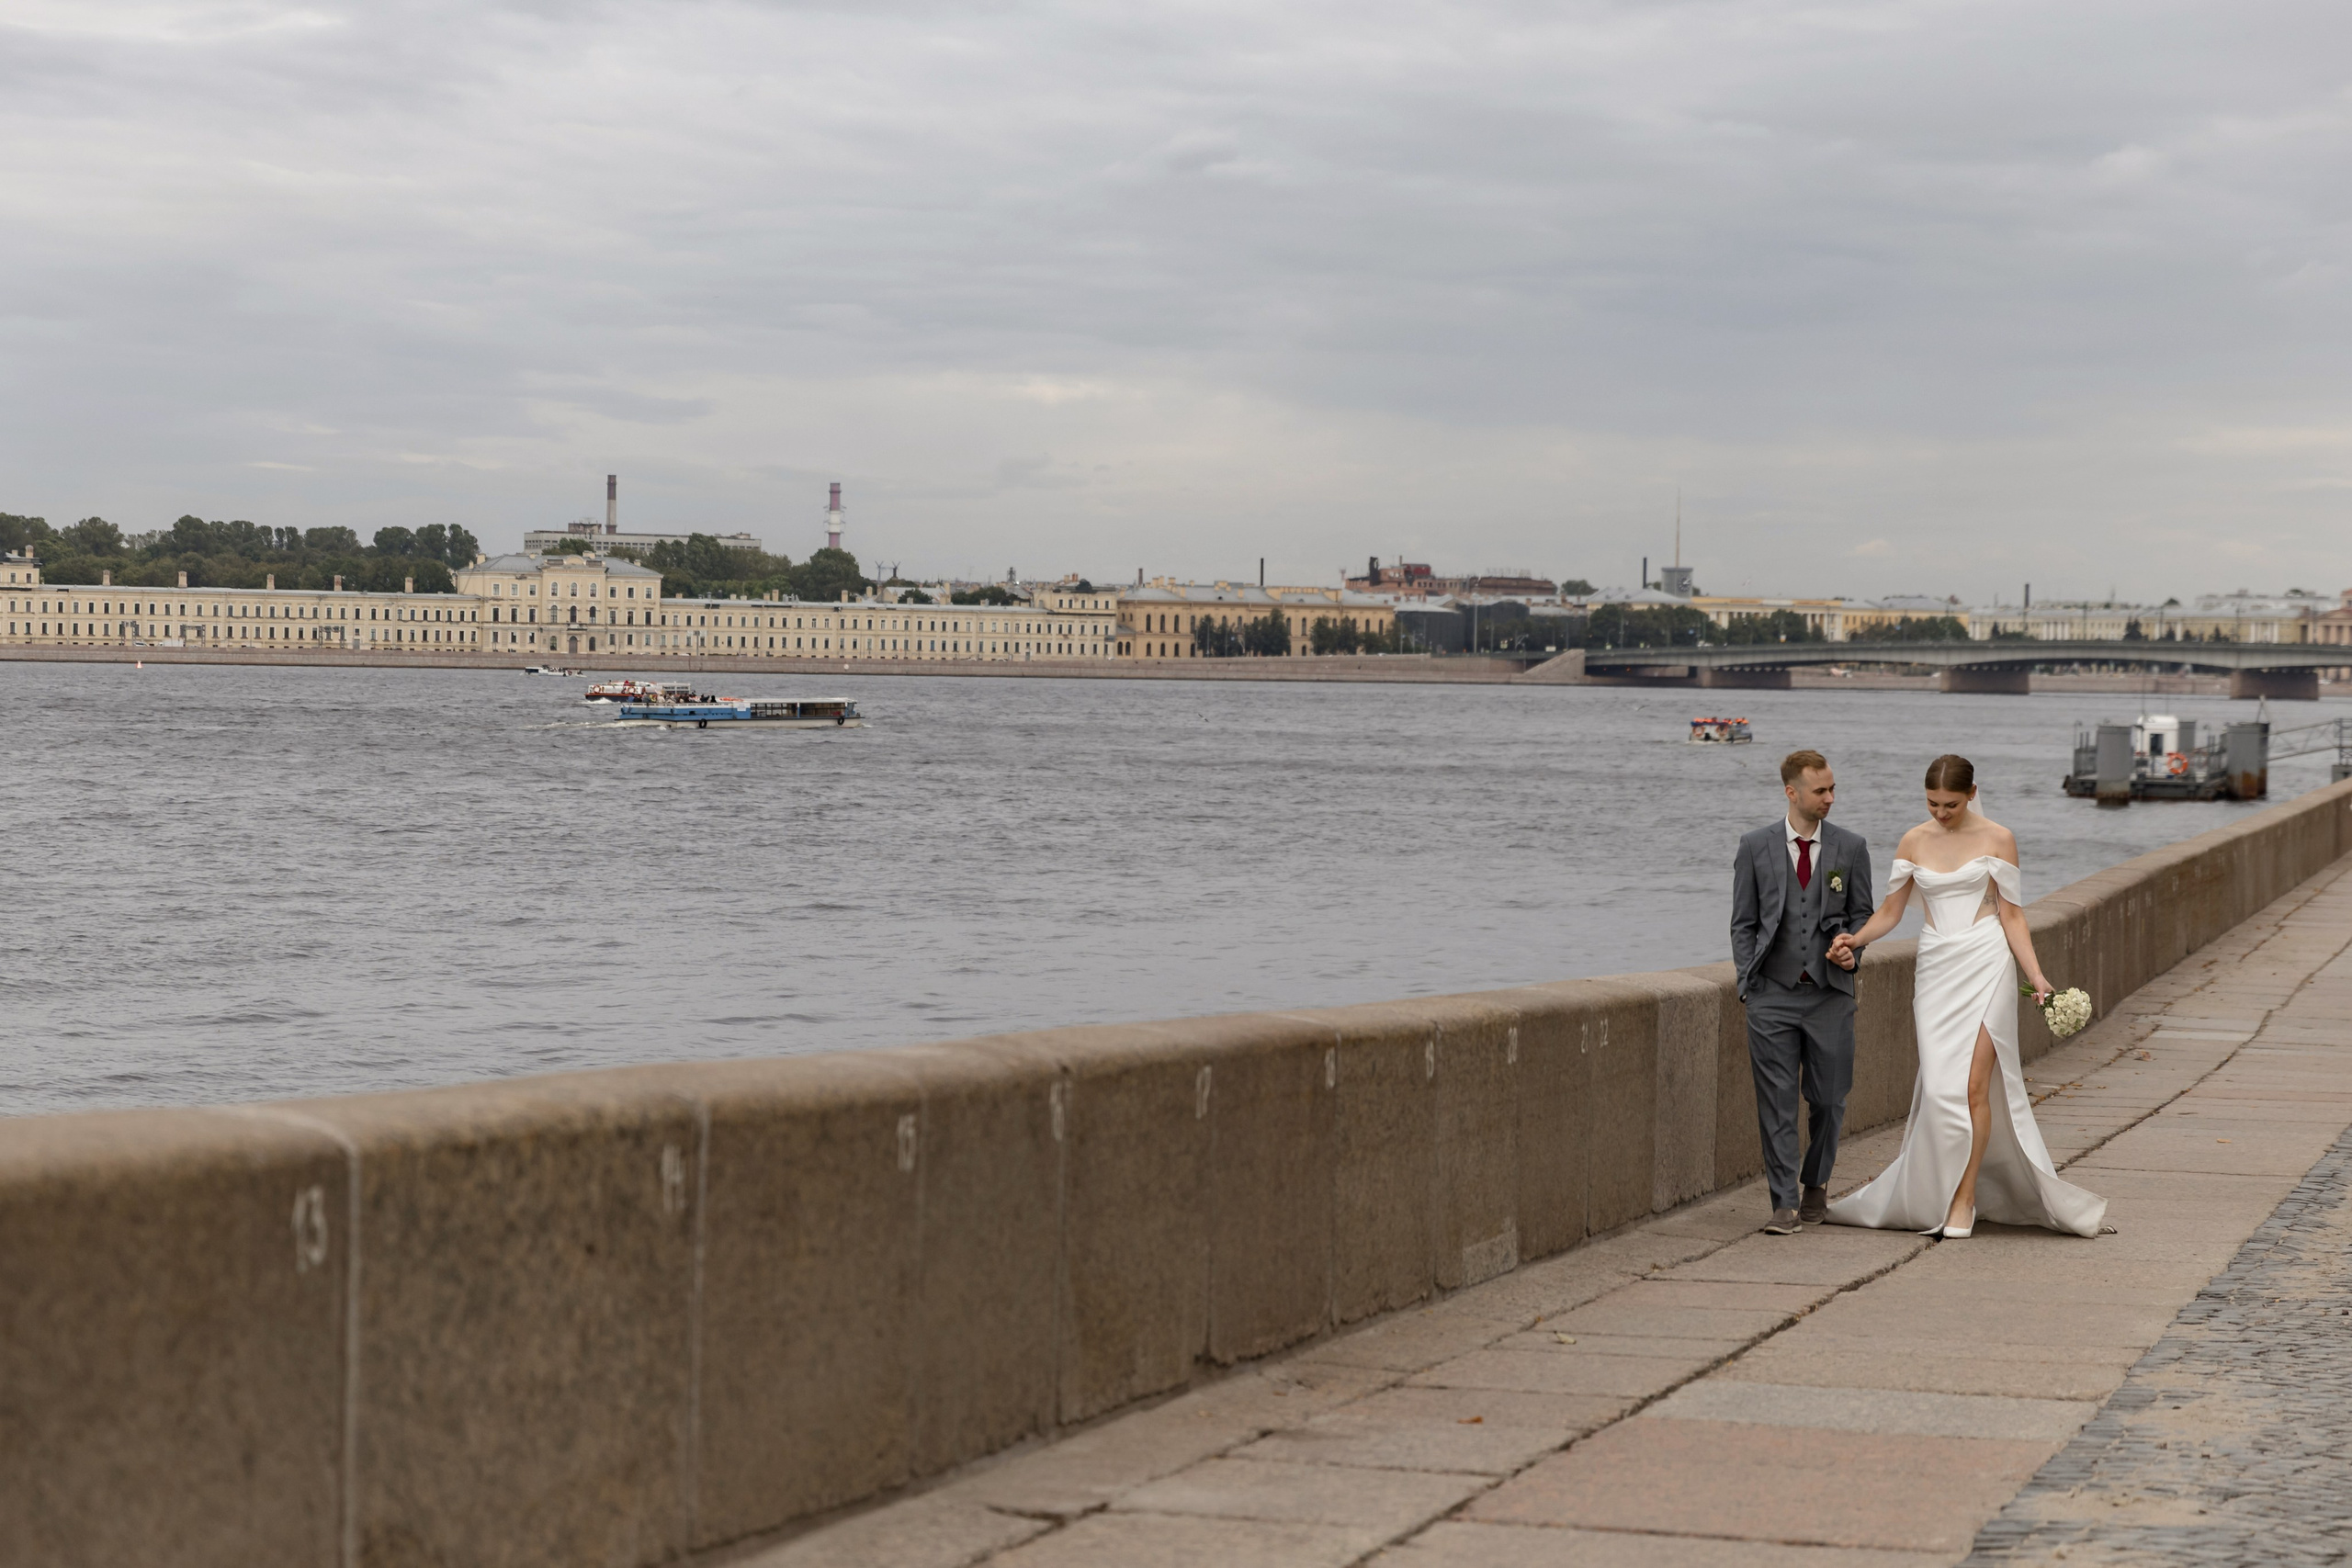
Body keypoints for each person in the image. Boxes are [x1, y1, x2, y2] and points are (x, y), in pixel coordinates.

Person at [1824, 754, 2106, 1238]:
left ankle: (1965, 1197)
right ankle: (1940, 1188)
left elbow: (2013, 916)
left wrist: (2036, 977)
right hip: (1936, 968)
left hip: (1987, 960)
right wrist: (1857, 939)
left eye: (1950, 804)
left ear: (1972, 793)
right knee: (1938, 1087)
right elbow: (1892, 911)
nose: (1941, 812)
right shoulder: (1914, 839)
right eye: (1932, 803)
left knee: (1975, 1087)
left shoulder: (1999, 838)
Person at [1730, 750, 1874, 1235]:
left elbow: (1862, 917)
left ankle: (1816, 1183)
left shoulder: (1852, 848)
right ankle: (1784, 1203)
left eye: (1833, 789)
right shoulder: (1755, 846)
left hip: (1831, 995)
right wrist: (1746, 981)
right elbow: (1744, 923)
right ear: (1791, 792)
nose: (1830, 798)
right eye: (1820, 790)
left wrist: (1851, 948)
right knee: (1775, 1101)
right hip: (1771, 994)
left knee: (1830, 1100)